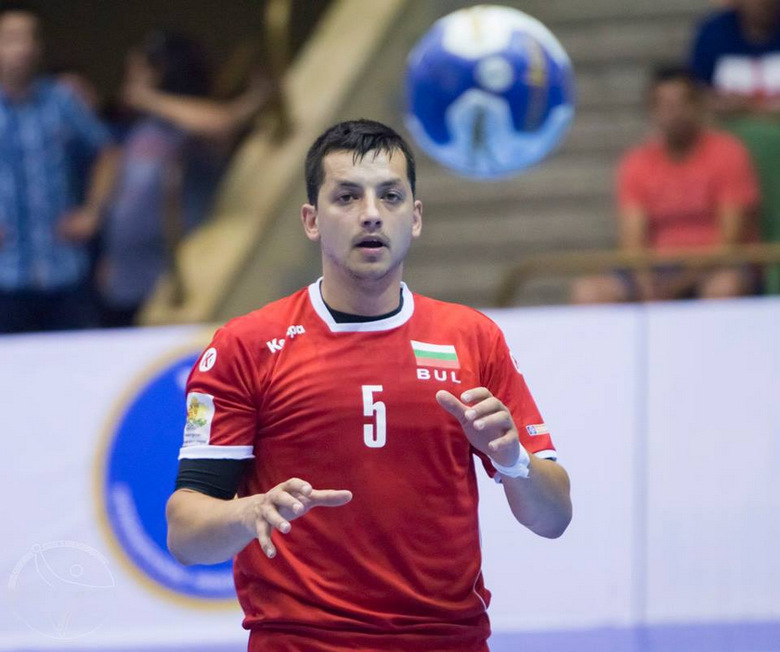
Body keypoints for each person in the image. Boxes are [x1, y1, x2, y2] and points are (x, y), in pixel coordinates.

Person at [166, 119, 572, 652]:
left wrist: (515, 461)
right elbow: (185, 534)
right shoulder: (247, 345)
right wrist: (247, 511)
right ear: (311, 220)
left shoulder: (473, 338)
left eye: (390, 196)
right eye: (347, 197)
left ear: (415, 217)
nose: (372, 213)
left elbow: (554, 518)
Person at [98, 31, 272, 327]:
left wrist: (148, 98)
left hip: (170, 276)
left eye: (138, 69)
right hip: (124, 276)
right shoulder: (144, 126)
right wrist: (111, 254)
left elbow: (220, 123)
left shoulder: (187, 124)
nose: (130, 79)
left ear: (161, 71)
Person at [572, 66, 760, 304]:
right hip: (658, 267)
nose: (674, 114)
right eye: (665, 106)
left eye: (682, 104)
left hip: (715, 265)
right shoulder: (636, 163)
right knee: (589, 292)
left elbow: (730, 239)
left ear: (698, 105)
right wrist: (645, 282)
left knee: (724, 288)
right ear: (652, 111)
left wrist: (679, 285)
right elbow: (632, 241)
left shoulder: (728, 153)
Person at [0, 5, 118, 333]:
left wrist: (93, 211)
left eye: (30, 38)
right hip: (6, 271)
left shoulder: (61, 99)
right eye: (11, 38)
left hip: (63, 266)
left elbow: (107, 151)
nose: (22, 48)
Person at [689, 0, 780, 293]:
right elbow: (697, 93)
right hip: (729, 157)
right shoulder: (713, 33)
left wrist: (746, 105)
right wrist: (766, 108)